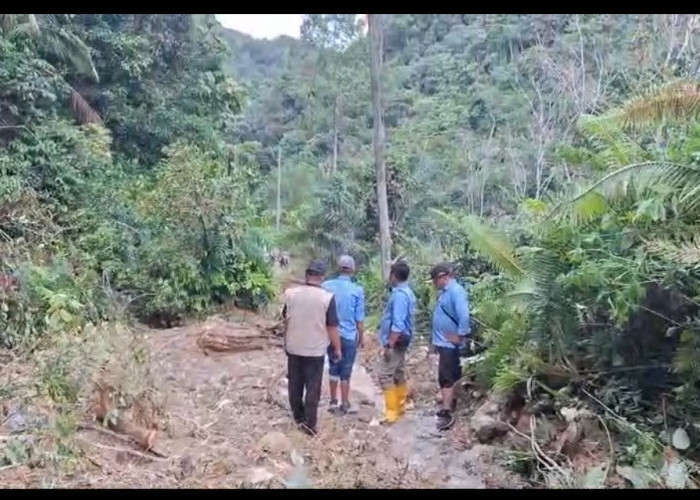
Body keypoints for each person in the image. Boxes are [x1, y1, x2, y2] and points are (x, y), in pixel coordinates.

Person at [282, 260, 342, 436]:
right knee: (312, 387)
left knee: (295, 385)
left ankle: (298, 417)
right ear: (322, 278)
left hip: (294, 346)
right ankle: (309, 425)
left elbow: (286, 319)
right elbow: (332, 327)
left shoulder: (291, 294)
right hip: (315, 350)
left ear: (307, 275)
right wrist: (337, 349)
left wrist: (286, 340)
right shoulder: (327, 298)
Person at [429, 262, 471, 431]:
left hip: (450, 342)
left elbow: (464, 315)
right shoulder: (445, 292)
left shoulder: (456, 291)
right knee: (447, 375)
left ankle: (448, 410)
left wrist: (460, 336)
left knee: (446, 376)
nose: (433, 283)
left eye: (434, 280)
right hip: (443, 341)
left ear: (443, 277)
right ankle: (449, 403)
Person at [322, 255, 366, 414]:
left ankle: (333, 401)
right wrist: (361, 338)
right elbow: (359, 319)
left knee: (333, 367)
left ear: (338, 267)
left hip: (330, 335)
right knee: (346, 370)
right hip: (348, 336)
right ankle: (345, 402)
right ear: (353, 270)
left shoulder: (326, 286)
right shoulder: (357, 290)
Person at [377, 261, 416, 424]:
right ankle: (401, 406)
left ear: (393, 275)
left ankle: (391, 413)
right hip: (404, 338)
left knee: (385, 374)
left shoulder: (400, 295)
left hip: (397, 339)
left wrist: (389, 345)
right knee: (398, 372)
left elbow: (398, 323)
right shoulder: (408, 292)